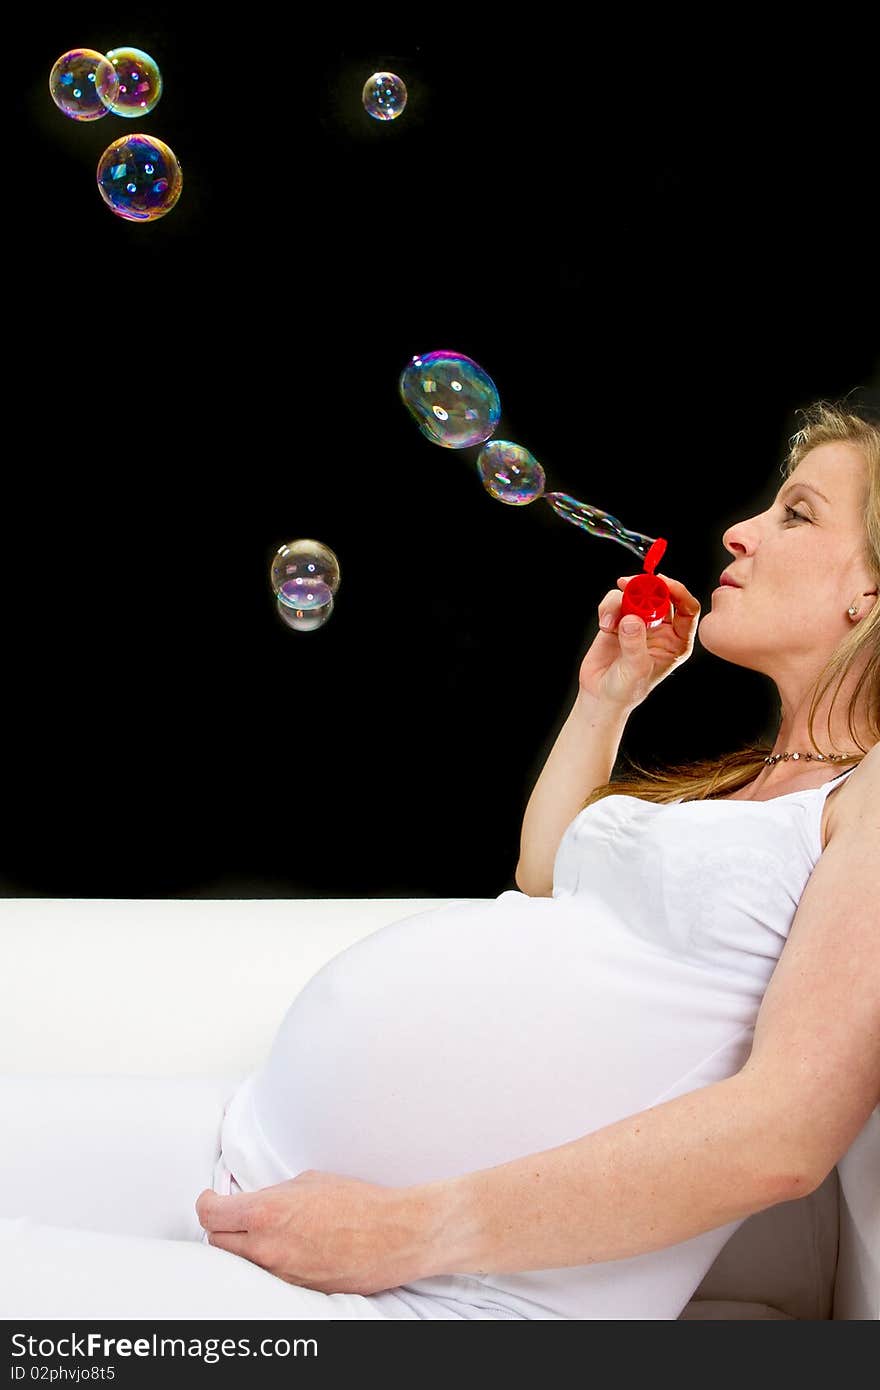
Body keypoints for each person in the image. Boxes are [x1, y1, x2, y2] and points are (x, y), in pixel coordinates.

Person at [2, 401, 877, 1321]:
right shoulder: (760, 781)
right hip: (255, 1147)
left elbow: (786, 1133)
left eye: (798, 514)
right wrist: (610, 697)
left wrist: (404, 1231)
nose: (739, 532)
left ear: (874, 587)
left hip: (436, 1291)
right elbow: (550, 882)